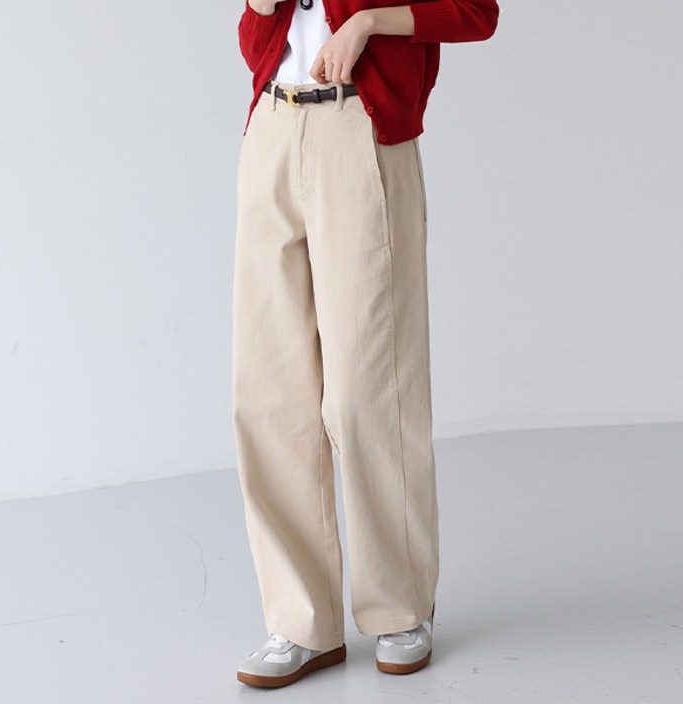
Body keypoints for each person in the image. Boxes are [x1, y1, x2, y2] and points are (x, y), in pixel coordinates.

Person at [232, 0, 499, 688]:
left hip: (359, 129)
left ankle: (400, 607)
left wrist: (367, 24)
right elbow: (256, 44)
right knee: (270, 390)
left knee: (370, 387)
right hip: (272, 126)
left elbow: (476, 13)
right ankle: (300, 622)